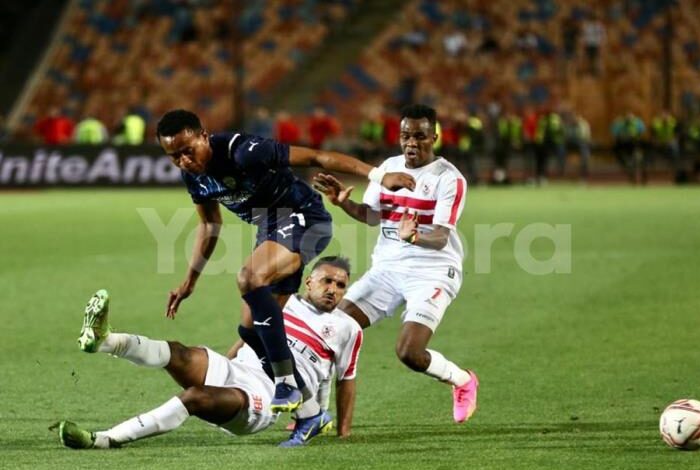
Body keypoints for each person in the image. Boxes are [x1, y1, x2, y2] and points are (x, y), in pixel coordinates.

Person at [155, 110, 412, 420]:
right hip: (270, 229)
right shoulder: (193, 177)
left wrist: (379, 175)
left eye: (187, 150)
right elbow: (210, 224)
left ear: (204, 135)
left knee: (249, 278)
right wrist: (190, 280)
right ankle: (311, 410)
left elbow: (317, 156)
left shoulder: (244, 151)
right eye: (174, 156)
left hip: (305, 217)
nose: (183, 160)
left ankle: (286, 383)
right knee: (251, 331)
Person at [52, 256, 362, 449]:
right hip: (238, 369)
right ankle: (105, 341)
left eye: (340, 285)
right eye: (327, 281)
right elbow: (251, 336)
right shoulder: (283, 302)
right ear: (309, 282)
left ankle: (106, 439)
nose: (333, 289)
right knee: (179, 353)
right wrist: (226, 362)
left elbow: (344, 379)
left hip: (269, 396)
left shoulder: (348, 328)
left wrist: (342, 431)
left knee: (196, 397)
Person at [312, 104, 479, 424]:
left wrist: (414, 238)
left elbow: (442, 236)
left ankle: (463, 381)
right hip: (387, 270)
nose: (412, 143)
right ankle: (316, 414)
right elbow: (371, 216)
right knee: (328, 330)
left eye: (420, 136)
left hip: (432, 271)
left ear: (435, 137)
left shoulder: (449, 178)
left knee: (409, 353)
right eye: (406, 136)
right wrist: (344, 203)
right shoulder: (388, 168)